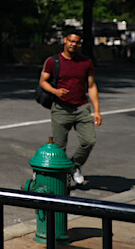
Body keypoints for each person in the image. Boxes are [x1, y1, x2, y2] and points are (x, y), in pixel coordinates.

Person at [39, 31, 102, 185]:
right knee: (59, 147)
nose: (74, 44)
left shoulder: (85, 62)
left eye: (77, 42)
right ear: (65, 41)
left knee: (89, 141)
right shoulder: (53, 61)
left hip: (82, 108)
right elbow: (43, 81)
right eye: (71, 41)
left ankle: (75, 166)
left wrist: (97, 111)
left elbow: (92, 86)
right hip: (61, 109)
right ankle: (59, 181)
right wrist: (55, 91)